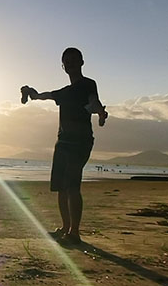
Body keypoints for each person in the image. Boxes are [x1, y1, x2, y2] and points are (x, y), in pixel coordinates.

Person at [21, 47, 107, 245]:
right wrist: (31, 93)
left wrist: (99, 113)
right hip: (63, 141)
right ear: (63, 66)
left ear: (81, 62)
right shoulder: (64, 93)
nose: (70, 64)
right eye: (66, 62)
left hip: (80, 141)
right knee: (61, 187)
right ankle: (65, 227)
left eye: (73, 60)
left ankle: (74, 232)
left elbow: (94, 102)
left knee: (72, 185)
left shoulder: (88, 84)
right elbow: (45, 96)